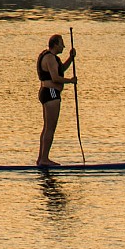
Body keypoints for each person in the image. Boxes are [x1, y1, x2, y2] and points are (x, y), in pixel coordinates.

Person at [35, 32, 74, 168]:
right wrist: (71, 81)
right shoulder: (50, 58)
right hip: (51, 93)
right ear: (55, 44)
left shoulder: (52, 58)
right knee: (50, 128)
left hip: (47, 92)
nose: (63, 46)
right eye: (61, 43)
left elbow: (61, 69)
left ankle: (41, 158)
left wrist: (71, 58)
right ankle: (44, 159)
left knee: (47, 128)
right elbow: (56, 78)